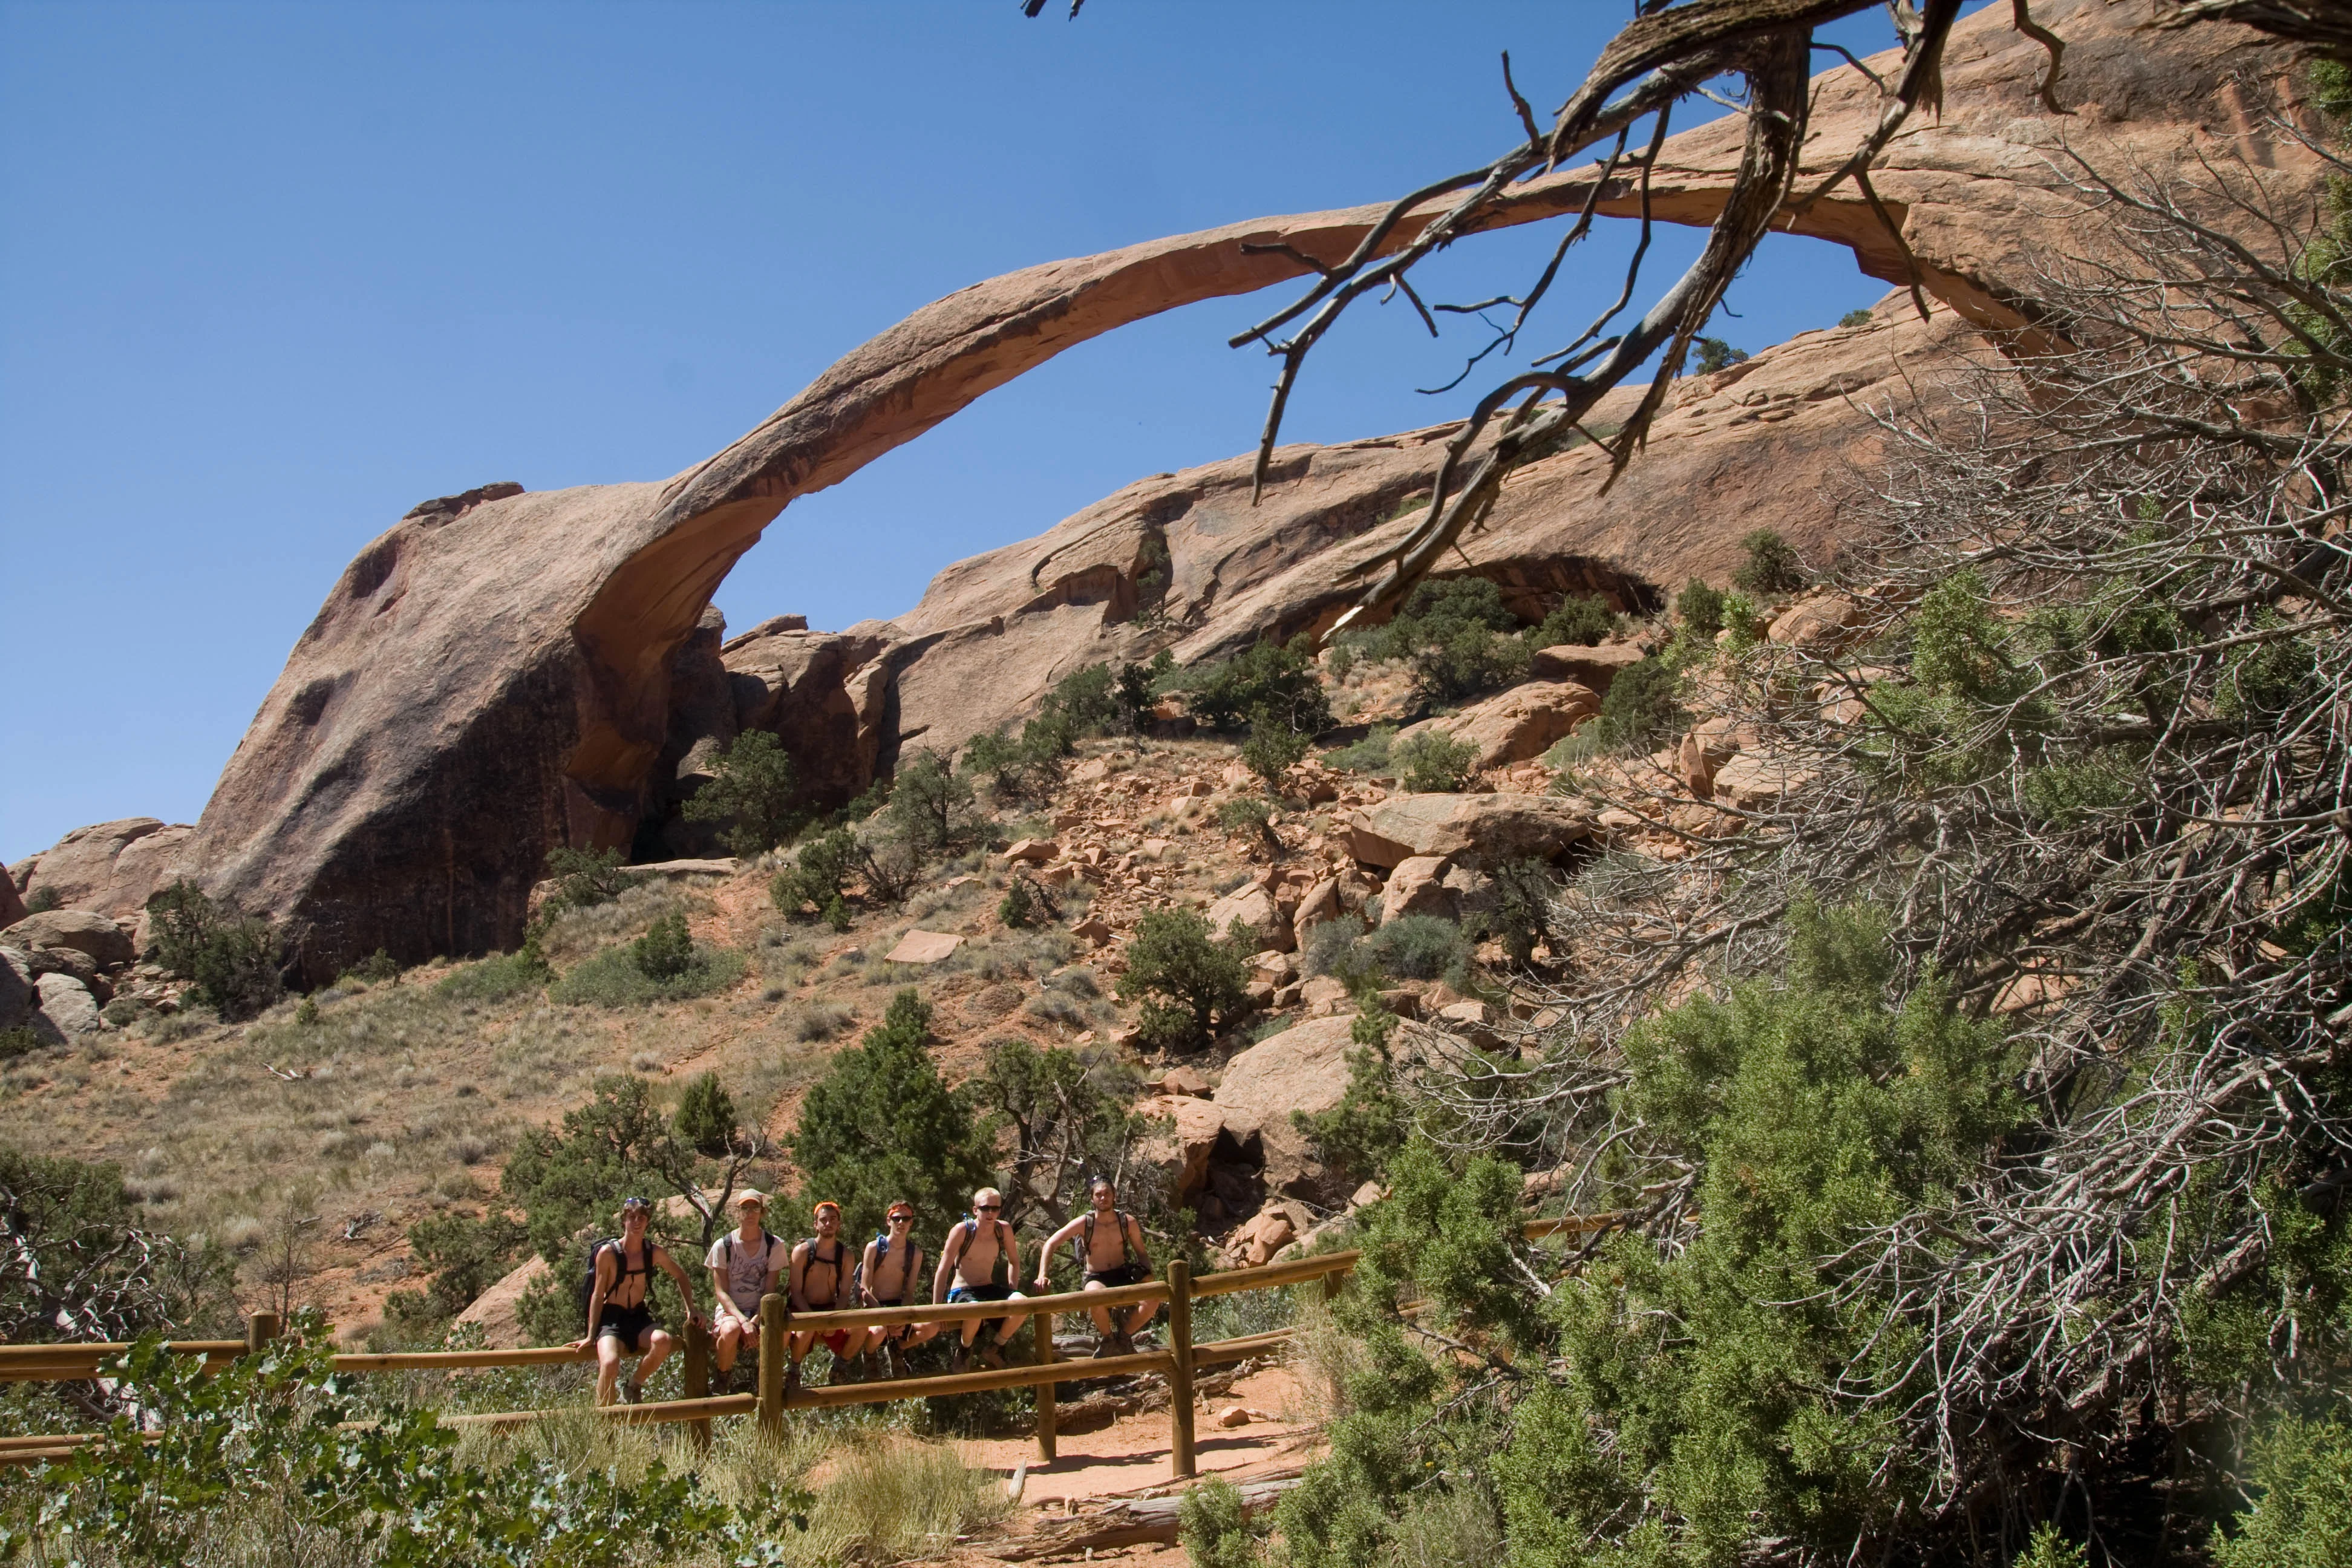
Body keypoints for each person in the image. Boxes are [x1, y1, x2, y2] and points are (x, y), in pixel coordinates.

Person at [572, 1196, 704, 1406]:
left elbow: (680, 1275)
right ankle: (602, 1421)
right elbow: (597, 1295)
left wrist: (691, 1309)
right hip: (611, 1318)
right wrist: (590, 1335)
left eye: (641, 1218)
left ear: (648, 1222)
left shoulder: (653, 1252)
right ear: (624, 1220)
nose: (636, 1222)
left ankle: (633, 1385)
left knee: (663, 1341)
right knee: (610, 1362)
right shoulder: (608, 1253)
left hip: (638, 1316)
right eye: (631, 1217)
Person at [1033, 1176, 1157, 1355]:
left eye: (1107, 1193)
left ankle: (1124, 1337)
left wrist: (1147, 1273)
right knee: (1093, 1295)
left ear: (1114, 1196)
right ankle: (1108, 1339)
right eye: (1098, 1194)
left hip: (1122, 1272)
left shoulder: (1127, 1222)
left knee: (1154, 1298)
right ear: (1092, 1199)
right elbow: (1051, 1244)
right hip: (1096, 1276)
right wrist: (1042, 1274)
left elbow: (1142, 1253)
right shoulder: (1085, 1222)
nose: (1103, 1197)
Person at [932, 1187, 1025, 1370]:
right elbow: (943, 1269)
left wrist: (1012, 1290)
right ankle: (965, 1349)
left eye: (995, 1209)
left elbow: (1014, 1261)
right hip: (962, 1291)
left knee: (1022, 1303)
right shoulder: (962, 1231)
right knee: (975, 1309)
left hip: (987, 1288)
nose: (990, 1213)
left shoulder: (1003, 1230)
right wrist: (936, 1309)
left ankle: (996, 1347)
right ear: (976, 1210)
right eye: (985, 1208)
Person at [704, 1189, 786, 1394]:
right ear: (737, 1212)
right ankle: (723, 1376)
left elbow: (770, 1291)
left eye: (755, 1208)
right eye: (745, 1208)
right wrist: (744, 1322)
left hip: (760, 1310)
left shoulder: (774, 1245)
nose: (750, 1213)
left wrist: (755, 1321)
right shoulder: (723, 1246)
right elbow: (721, 1292)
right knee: (731, 1331)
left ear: (762, 1212)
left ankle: (771, 1380)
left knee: (783, 1332)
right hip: (731, 1310)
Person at [857, 1201, 942, 1379]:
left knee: (932, 1327)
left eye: (906, 1218)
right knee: (879, 1331)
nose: (901, 1223)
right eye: (897, 1218)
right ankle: (870, 1355)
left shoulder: (915, 1253)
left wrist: (901, 1318)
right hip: (875, 1307)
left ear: (911, 1222)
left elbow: (910, 1292)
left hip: (899, 1308)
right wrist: (886, 1319)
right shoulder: (874, 1248)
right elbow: (864, 1288)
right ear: (889, 1221)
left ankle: (898, 1349)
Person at [787, 1200, 863, 1387]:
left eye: (833, 1220)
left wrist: (833, 1318)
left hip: (830, 1310)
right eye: (823, 1220)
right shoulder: (802, 1251)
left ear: (839, 1224)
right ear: (815, 1224)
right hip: (802, 1310)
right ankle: (794, 1371)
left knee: (862, 1327)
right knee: (807, 1329)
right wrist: (815, 1319)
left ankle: (840, 1367)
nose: (828, 1224)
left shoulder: (846, 1256)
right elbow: (795, 1292)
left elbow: (845, 1293)